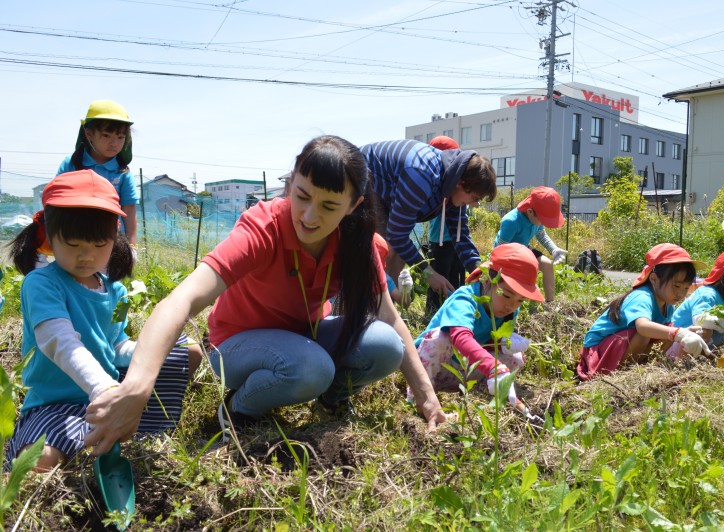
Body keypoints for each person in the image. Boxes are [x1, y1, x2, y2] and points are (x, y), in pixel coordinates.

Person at [84, 135, 449, 455]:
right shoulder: (263, 228)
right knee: (312, 367)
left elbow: (390, 317)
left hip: (303, 339)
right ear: (291, 182)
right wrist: (137, 387)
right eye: (302, 196)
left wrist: (427, 396)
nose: (308, 216)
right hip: (236, 348)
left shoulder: (357, 242)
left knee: (385, 345)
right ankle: (238, 408)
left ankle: (330, 399)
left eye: (328, 206)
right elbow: (181, 300)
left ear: (353, 206)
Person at [5, 170, 201, 471]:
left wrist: (144, 352)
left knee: (185, 352)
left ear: (114, 239)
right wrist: (102, 388)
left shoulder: (116, 290)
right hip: (57, 403)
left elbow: (115, 343)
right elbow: (60, 342)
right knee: (39, 462)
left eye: (99, 246)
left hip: (110, 393)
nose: (86, 256)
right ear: (48, 237)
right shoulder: (41, 284)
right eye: (73, 245)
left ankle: (147, 431)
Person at [360, 139, 497, 298]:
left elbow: (461, 237)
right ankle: (365, 310)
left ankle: (385, 308)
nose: (474, 205)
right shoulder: (422, 175)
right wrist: (429, 274)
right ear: (461, 183)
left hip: (389, 192)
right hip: (365, 179)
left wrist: (481, 272)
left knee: (398, 254)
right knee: (383, 250)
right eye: (474, 197)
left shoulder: (452, 182)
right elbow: (397, 236)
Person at [411, 243, 539, 407]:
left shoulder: (509, 310)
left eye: (520, 300)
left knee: (515, 358)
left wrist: (502, 344)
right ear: (486, 281)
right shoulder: (465, 299)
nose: (511, 306)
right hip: (435, 367)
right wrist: (493, 368)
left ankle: (483, 392)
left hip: (465, 370)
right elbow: (460, 337)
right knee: (441, 338)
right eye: (506, 296)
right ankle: (419, 396)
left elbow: (488, 343)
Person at [577, 243, 709, 381]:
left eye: (686, 288)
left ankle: (640, 369)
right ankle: (620, 376)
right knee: (647, 333)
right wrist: (678, 333)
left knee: (667, 331)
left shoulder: (668, 303)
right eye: (676, 286)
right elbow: (643, 326)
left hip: (621, 348)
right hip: (598, 354)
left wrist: (683, 332)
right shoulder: (642, 297)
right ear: (653, 279)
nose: (681, 293)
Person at [58, 100, 139, 248]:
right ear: (89, 134)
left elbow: (129, 210)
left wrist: (132, 246)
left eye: (121, 137)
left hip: (110, 245)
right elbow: (55, 202)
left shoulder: (122, 172)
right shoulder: (71, 165)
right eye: (106, 135)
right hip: (73, 241)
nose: (114, 143)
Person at [495, 187, 567, 302]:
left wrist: (554, 250)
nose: (543, 223)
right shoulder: (511, 222)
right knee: (524, 277)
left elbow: (541, 235)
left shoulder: (536, 216)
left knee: (547, 265)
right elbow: (499, 249)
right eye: (543, 220)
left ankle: (550, 303)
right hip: (508, 254)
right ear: (530, 211)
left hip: (524, 248)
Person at [424, 136, 467, 312]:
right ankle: (433, 311)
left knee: (457, 277)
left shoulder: (457, 184)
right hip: (439, 240)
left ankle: (454, 311)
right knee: (439, 276)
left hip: (457, 239)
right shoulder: (434, 184)